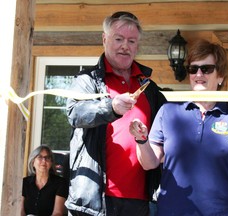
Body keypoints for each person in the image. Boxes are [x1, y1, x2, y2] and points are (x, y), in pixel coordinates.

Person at [129, 39, 228, 215]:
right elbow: (150, 163)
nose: (198, 74)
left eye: (206, 69)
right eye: (193, 69)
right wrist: (141, 140)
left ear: (220, 76)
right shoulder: (168, 111)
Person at [65, 11, 166, 216]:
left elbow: (174, 116)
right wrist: (110, 108)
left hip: (141, 201)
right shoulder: (88, 80)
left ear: (137, 45)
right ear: (105, 39)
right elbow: (74, 112)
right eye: (118, 39)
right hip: (95, 200)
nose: (125, 46)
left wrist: (223, 103)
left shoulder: (149, 88)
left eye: (131, 41)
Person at [21, 145, 68, 216]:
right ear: (33, 162)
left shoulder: (60, 183)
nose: (44, 161)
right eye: (40, 157)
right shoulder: (25, 183)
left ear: (51, 163)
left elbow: (58, 213)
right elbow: (21, 211)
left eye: (47, 158)